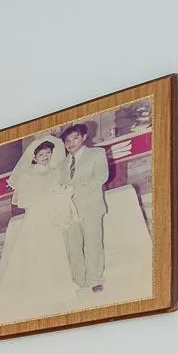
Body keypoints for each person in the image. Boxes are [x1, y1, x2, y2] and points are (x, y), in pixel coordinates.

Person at [0, 137, 78, 318]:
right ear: (34, 157)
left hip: (51, 216)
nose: (45, 157)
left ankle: (56, 286)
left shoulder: (55, 171)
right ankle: (32, 290)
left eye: (48, 154)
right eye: (41, 154)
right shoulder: (27, 175)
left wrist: (60, 196)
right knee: (35, 251)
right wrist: (46, 199)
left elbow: (60, 190)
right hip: (36, 216)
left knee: (53, 249)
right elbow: (24, 200)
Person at [60, 122, 110, 293]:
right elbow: (60, 186)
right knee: (73, 247)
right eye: (67, 141)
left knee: (93, 244)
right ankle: (79, 280)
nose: (71, 143)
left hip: (91, 207)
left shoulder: (97, 153)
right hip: (69, 212)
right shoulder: (62, 165)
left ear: (84, 137)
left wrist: (77, 189)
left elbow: (101, 177)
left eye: (75, 138)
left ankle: (95, 278)